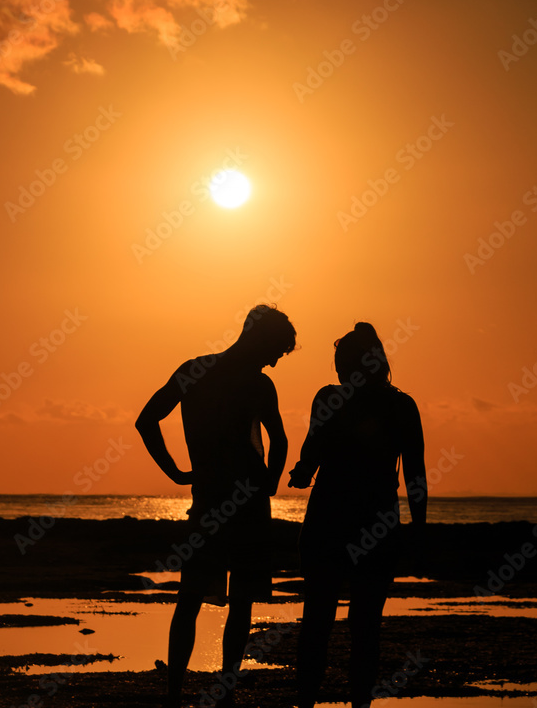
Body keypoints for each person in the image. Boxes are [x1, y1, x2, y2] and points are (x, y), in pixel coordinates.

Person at [135, 303, 296, 708]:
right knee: (228, 600)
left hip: (214, 502)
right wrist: (269, 481)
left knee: (195, 598)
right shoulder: (255, 385)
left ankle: (185, 692)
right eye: (275, 350)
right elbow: (279, 441)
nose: (274, 362)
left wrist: (175, 471)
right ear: (258, 339)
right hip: (234, 505)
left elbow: (147, 419)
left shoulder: (198, 370)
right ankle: (214, 691)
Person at [289, 321, 426, 708]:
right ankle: (360, 705)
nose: (336, 371)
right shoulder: (401, 405)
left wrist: (300, 474)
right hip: (378, 525)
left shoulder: (329, 399)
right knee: (366, 626)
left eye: (339, 363)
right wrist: (419, 527)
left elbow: (311, 453)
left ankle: (306, 704)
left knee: (317, 621)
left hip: (328, 522)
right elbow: (415, 473)